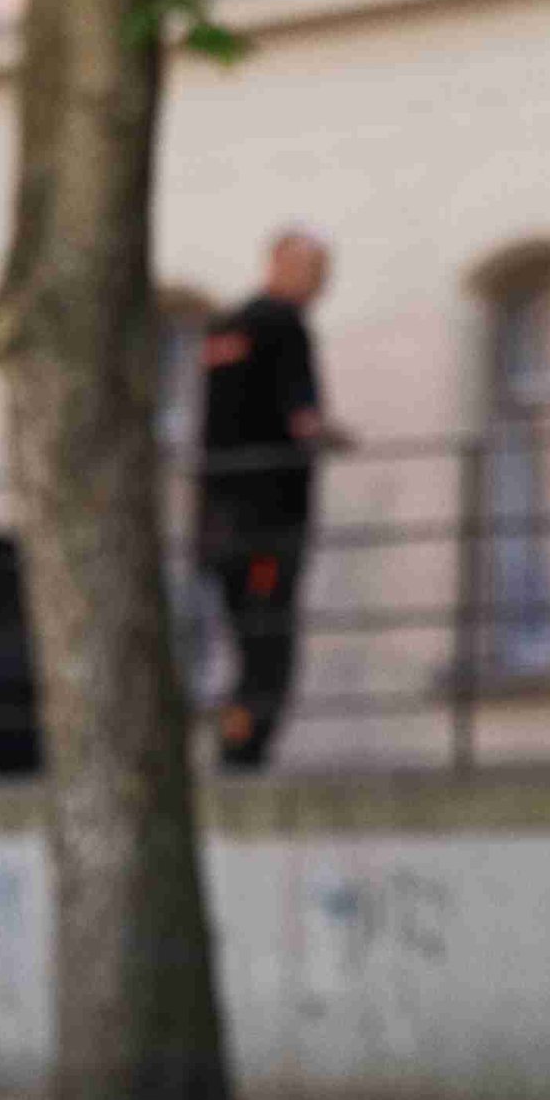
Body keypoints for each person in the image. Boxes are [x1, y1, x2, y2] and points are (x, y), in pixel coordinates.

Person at [195, 229, 352, 770]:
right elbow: (302, 420)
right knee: (270, 653)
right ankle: (240, 752)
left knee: (245, 641)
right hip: (268, 520)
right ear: (285, 266)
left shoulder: (223, 328)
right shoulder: (285, 327)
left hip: (217, 519)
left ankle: (235, 744)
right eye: (318, 272)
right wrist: (336, 438)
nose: (322, 285)